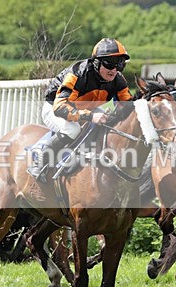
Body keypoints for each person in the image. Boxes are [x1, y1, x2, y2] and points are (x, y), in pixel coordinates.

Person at [28, 38, 134, 181]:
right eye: (109, 64)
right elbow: (60, 107)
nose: (114, 70)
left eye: (120, 64)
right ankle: (40, 162)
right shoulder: (78, 73)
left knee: (107, 123)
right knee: (73, 129)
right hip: (55, 107)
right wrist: (89, 116)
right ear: (96, 62)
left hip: (84, 107)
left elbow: (128, 105)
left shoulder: (118, 80)